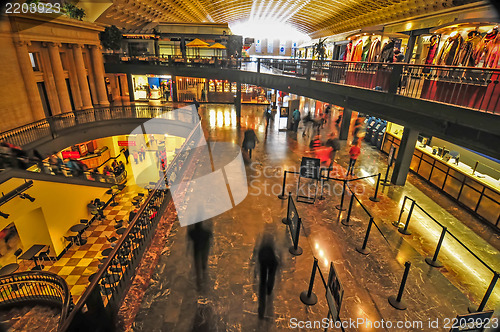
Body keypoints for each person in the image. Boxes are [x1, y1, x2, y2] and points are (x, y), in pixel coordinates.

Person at [255, 231, 279, 319]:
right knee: (271, 275)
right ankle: (269, 289)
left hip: (262, 257)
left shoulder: (262, 239)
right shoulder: (272, 238)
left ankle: (261, 310)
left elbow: (256, 250)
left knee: (262, 283)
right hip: (271, 259)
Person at [187, 222, 213, 288]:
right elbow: (209, 240)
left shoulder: (192, 232)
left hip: (197, 251)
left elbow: (189, 242)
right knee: (203, 265)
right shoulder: (206, 233)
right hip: (203, 251)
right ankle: (204, 280)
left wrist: (187, 251)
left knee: (198, 267)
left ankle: (199, 283)